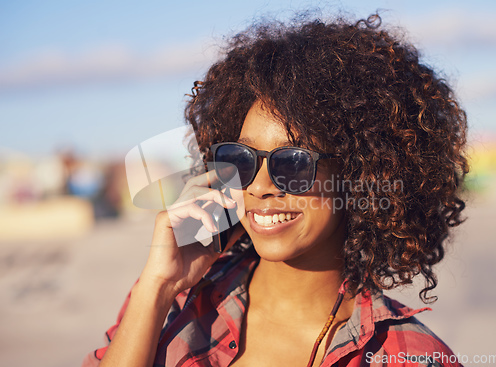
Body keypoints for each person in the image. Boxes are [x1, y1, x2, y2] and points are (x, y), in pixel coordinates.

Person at [82, 13, 468, 367]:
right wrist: (158, 286)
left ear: (360, 175)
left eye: (293, 162)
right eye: (241, 159)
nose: (261, 186)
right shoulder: (171, 299)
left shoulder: (408, 357)